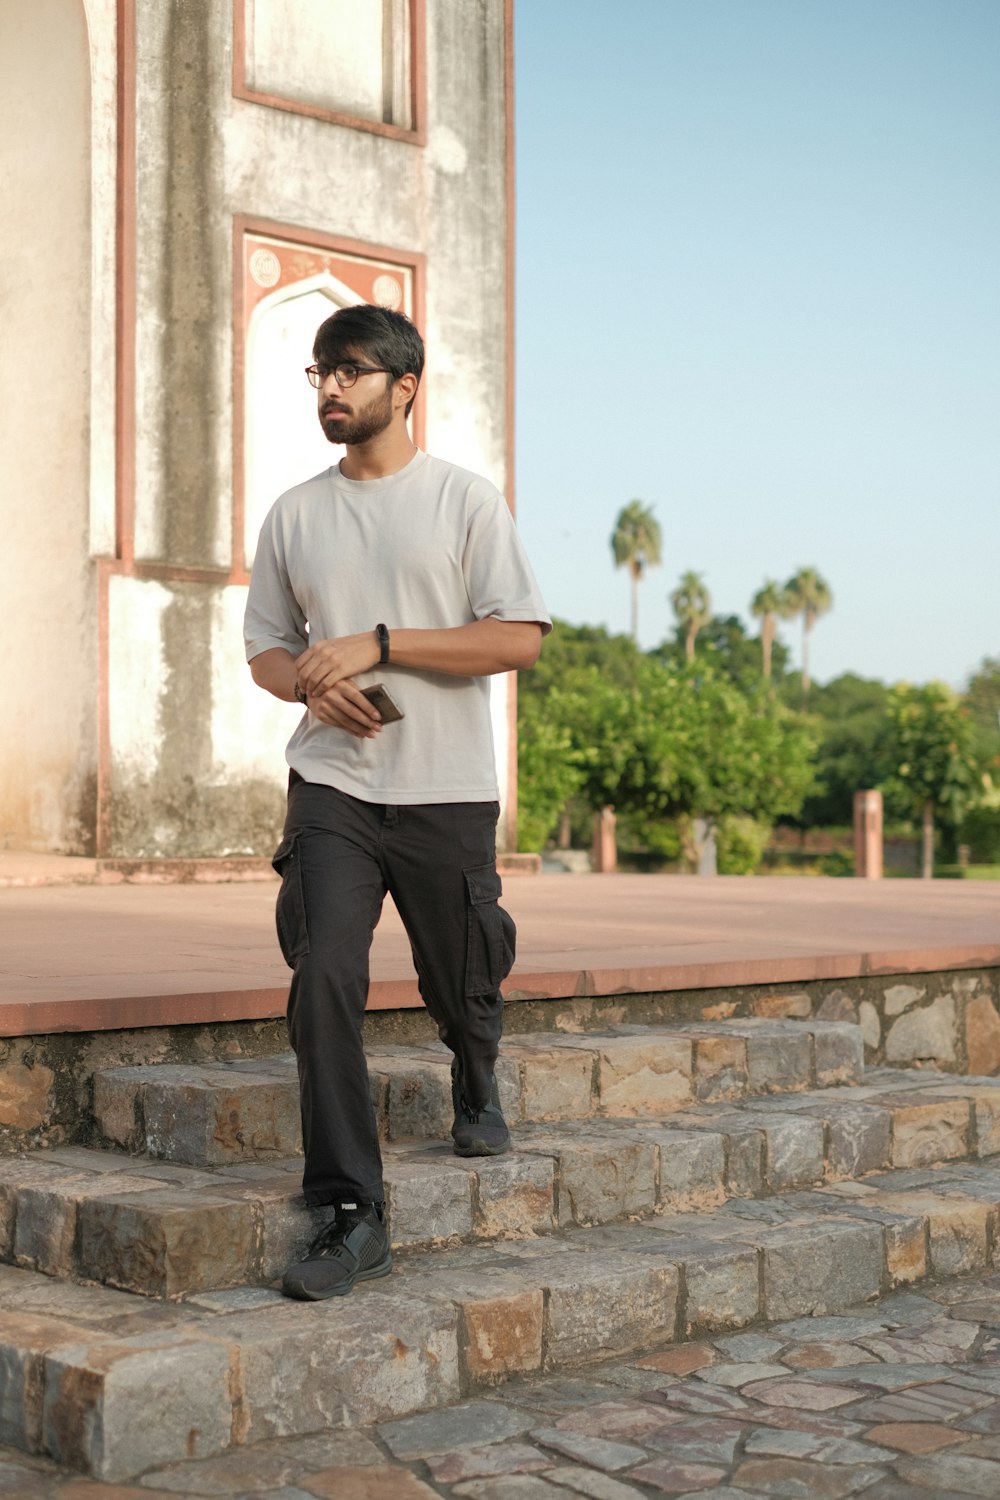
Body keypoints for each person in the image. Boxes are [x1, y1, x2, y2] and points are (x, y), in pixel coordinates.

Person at [243, 304, 550, 1300]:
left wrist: (379, 644)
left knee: (460, 972)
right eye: (319, 372)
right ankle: (348, 1209)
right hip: (331, 781)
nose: (330, 389)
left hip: (446, 788)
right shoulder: (294, 511)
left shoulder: (464, 502)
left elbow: (517, 639)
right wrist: (308, 683)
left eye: (350, 371)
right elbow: (266, 647)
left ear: (405, 387)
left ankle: (474, 1070)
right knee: (323, 968)